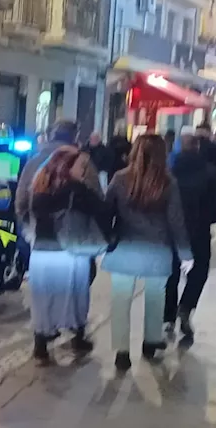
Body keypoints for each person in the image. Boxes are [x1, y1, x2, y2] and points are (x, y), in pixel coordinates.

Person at [103, 134, 192, 373]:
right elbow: (176, 220)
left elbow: (106, 211)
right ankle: (150, 342)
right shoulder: (168, 182)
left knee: (121, 300)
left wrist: (107, 237)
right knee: (155, 297)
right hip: (157, 249)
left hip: (125, 247)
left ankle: (122, 352)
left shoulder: (120, 179)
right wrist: (185, 253)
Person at [28, 146, 111, 364]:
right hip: (70, 254)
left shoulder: (40, 185)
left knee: (43, 299)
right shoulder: (78, 190)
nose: (84, 171)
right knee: (75, 297)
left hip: (42, 252)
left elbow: (28, 211)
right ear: (67, 165)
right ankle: (77, 337)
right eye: (81, 166)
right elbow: (102, 210)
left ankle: (40, 346)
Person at [164, 133, 216, 338]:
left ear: (180, 147)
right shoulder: (211, 172)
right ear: (198, 147)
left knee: (170, 273)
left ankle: (168, 316)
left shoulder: (169, 172)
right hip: (199, 230)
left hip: (172, 231)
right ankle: (186, 306)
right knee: (199, 271)